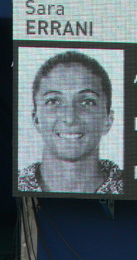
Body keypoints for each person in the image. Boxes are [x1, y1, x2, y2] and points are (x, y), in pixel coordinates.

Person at [18, 50, 123, 194]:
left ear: (107, 120)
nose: (69, 118)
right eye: (53, 101)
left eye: (87, 101)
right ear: (36, 119)